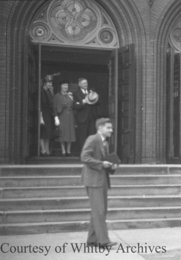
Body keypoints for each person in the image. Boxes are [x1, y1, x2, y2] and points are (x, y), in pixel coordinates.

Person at [81, 118, 118, 248]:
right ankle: (103, 241)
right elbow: (84, 157)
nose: (111, 130)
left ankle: (92, 240)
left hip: (101, 180)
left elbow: (104, 161)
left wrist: (111, 167)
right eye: (108, 128)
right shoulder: (92, 139)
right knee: (100, 211)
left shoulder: (105, 143)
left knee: (98, 210)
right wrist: (101, 164)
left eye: (111, 128)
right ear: (100, 128)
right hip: (93, 181)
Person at [73, 77, 98, 152]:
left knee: (91, 136)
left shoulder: (91, 92)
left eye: (86, 83)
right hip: (82, 118)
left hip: (91, 117)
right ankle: (83, 154)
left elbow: (96, 103)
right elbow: (75, 106)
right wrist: (83, 102)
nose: (85, 85)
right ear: (79, 84)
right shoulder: (76, 93)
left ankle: (91, 153)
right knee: (82, 137)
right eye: (84, 83)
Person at [53, 81, 76, 156]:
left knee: (70, 133)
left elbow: (73, 106)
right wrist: (56, 117)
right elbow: (55, 107)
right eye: (64, 85)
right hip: (62, 116)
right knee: (62, 133)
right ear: (61, 86)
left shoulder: (70, 95)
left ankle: (68, 151)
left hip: (70, 116)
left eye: (66, 85)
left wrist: (72, 99)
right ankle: (63, 150)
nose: (65, 87)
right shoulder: (57, 96)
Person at [39, 77, 55, 156]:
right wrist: (40, 116)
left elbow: (52, 103)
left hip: (49, 114)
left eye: (51, 83)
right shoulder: (41, 92)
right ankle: (43, 149)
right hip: (43, 113)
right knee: (43, 132)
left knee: (48, 132)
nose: (50, 84)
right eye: (49, 82)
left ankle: (47, 148)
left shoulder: (49, 91)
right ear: (45, 83)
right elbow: (41, 104)